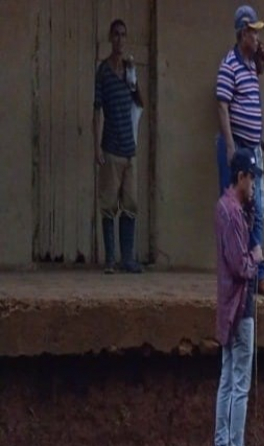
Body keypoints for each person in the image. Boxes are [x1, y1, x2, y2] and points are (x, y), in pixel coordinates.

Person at [211, 147, 264, 446]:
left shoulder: (228, 208)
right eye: (253, 179)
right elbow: (239, 264)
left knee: (227, 380)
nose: (255, 186)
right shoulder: (232, 212)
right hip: (240, 306)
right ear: (242, 176)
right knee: (239, 385)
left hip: (226, 305)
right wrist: (256, 259)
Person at [217, 5, 264, 296]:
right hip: (237, 146)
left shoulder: (251, 63)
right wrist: (229, 147)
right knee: (234, 212)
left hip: (253, 148)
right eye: (253, 32)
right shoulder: (230, 64)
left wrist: (261, 57)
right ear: (242, 33)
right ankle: (236, 272)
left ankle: (258, 274)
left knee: (258, 210)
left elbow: (262, 69)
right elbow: (223, 106)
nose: (256, 37)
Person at [94, 18, 144, 274]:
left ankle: (128, 259)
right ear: (110, 38)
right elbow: (97, 110)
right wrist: (96, 146)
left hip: (129, 148)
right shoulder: (103, 71)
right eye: (115, 34)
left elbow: (139, 102)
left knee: (131, 204)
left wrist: (133, 76)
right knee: (109, 204)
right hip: (111, 147)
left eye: (123, 35)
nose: (120, 39)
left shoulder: (129, 70)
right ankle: (111, 259)